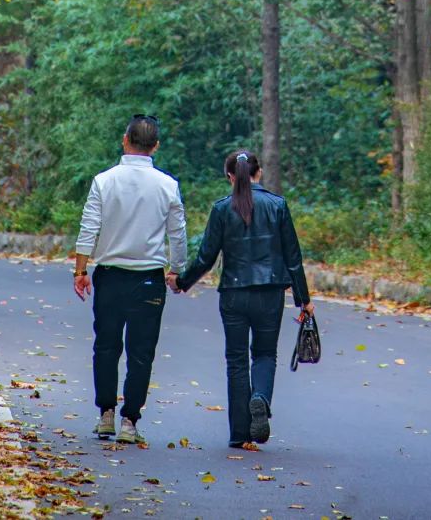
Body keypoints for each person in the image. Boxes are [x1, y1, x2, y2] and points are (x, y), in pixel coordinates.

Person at [171, 150, 313, 448]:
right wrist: (304, 300)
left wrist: (182, 282)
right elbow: (293, 258)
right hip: (270, 293)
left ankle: (239, 433)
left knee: (236, 361)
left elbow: (206, 257)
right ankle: (260, 397)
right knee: (264, 354)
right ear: (258, 174)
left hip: (233, 295)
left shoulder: (222, 209)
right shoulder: (277, 206)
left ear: (230, 176)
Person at [73, 114, 188, 445]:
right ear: (156, 147)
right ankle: (130, 421)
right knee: (142, 351)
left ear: (125, 140)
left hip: (109, 276)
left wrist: (81, 271)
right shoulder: (168, 185)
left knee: (106, 346)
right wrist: (176, 269)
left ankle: (105, 414)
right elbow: (177, 235)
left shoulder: (103, 181)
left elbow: (89, 228)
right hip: (149, 278)